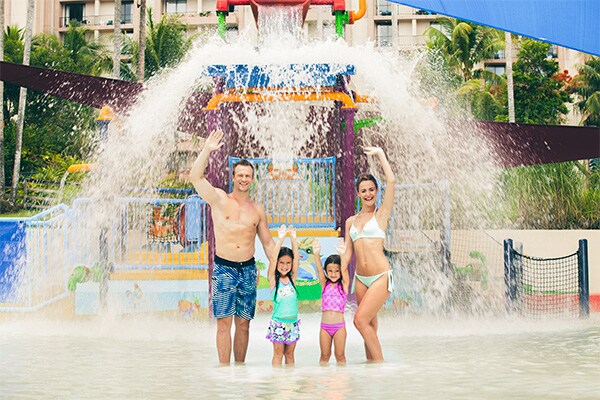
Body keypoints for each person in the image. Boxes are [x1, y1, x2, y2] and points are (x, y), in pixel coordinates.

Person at [189, 130, 274, 365]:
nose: (244, 179)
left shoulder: (257, 210)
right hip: (224, 268)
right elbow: (195, 177)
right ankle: (225, 371)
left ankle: (240, 369)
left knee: (244, 324)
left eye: (248, 176)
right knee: (223, 323)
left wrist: (280, 268)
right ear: (233, 177)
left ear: (252, 179)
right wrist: (206, 149)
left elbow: (268, 243)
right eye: (240, 175)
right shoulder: (219, 199)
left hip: (248, 270)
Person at [344, 146, 395, 362]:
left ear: (376, 191)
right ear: (358, 193)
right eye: (364, 191)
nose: (368, 194)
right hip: (361, 280)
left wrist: (380, 154)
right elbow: (347, 254)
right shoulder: (350, 222)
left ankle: (380, 365)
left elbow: (391, 181)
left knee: (360, 321)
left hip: (380, 276)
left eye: (372, 190)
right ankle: (371, 365)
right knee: (369, 324)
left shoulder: (381, 215)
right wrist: (335, 281)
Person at [266, 225, 300, 366]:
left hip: (293, 324)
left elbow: (296, 259)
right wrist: (280, 239)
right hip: (278, 323)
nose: (284, 266)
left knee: (290, 355)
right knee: (278, 354)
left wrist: (293, 239)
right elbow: (273, 259)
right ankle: (277, 377)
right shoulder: (274, 280)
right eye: (281, 263)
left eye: (288, 263)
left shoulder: (293, 279)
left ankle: (290, 378)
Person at [314, 239, 349, 365]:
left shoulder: (343, 285)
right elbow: (319, 270)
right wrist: (316, 254)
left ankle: (342, 375)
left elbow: (345, 271)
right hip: (325, 327)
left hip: (339, 327)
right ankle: (323, 376)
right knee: (324, 355)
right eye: (330, 271)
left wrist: (342, 255)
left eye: (336, 271)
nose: (333, 274)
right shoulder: (325, 284)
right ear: (326, 271)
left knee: (340, 355)